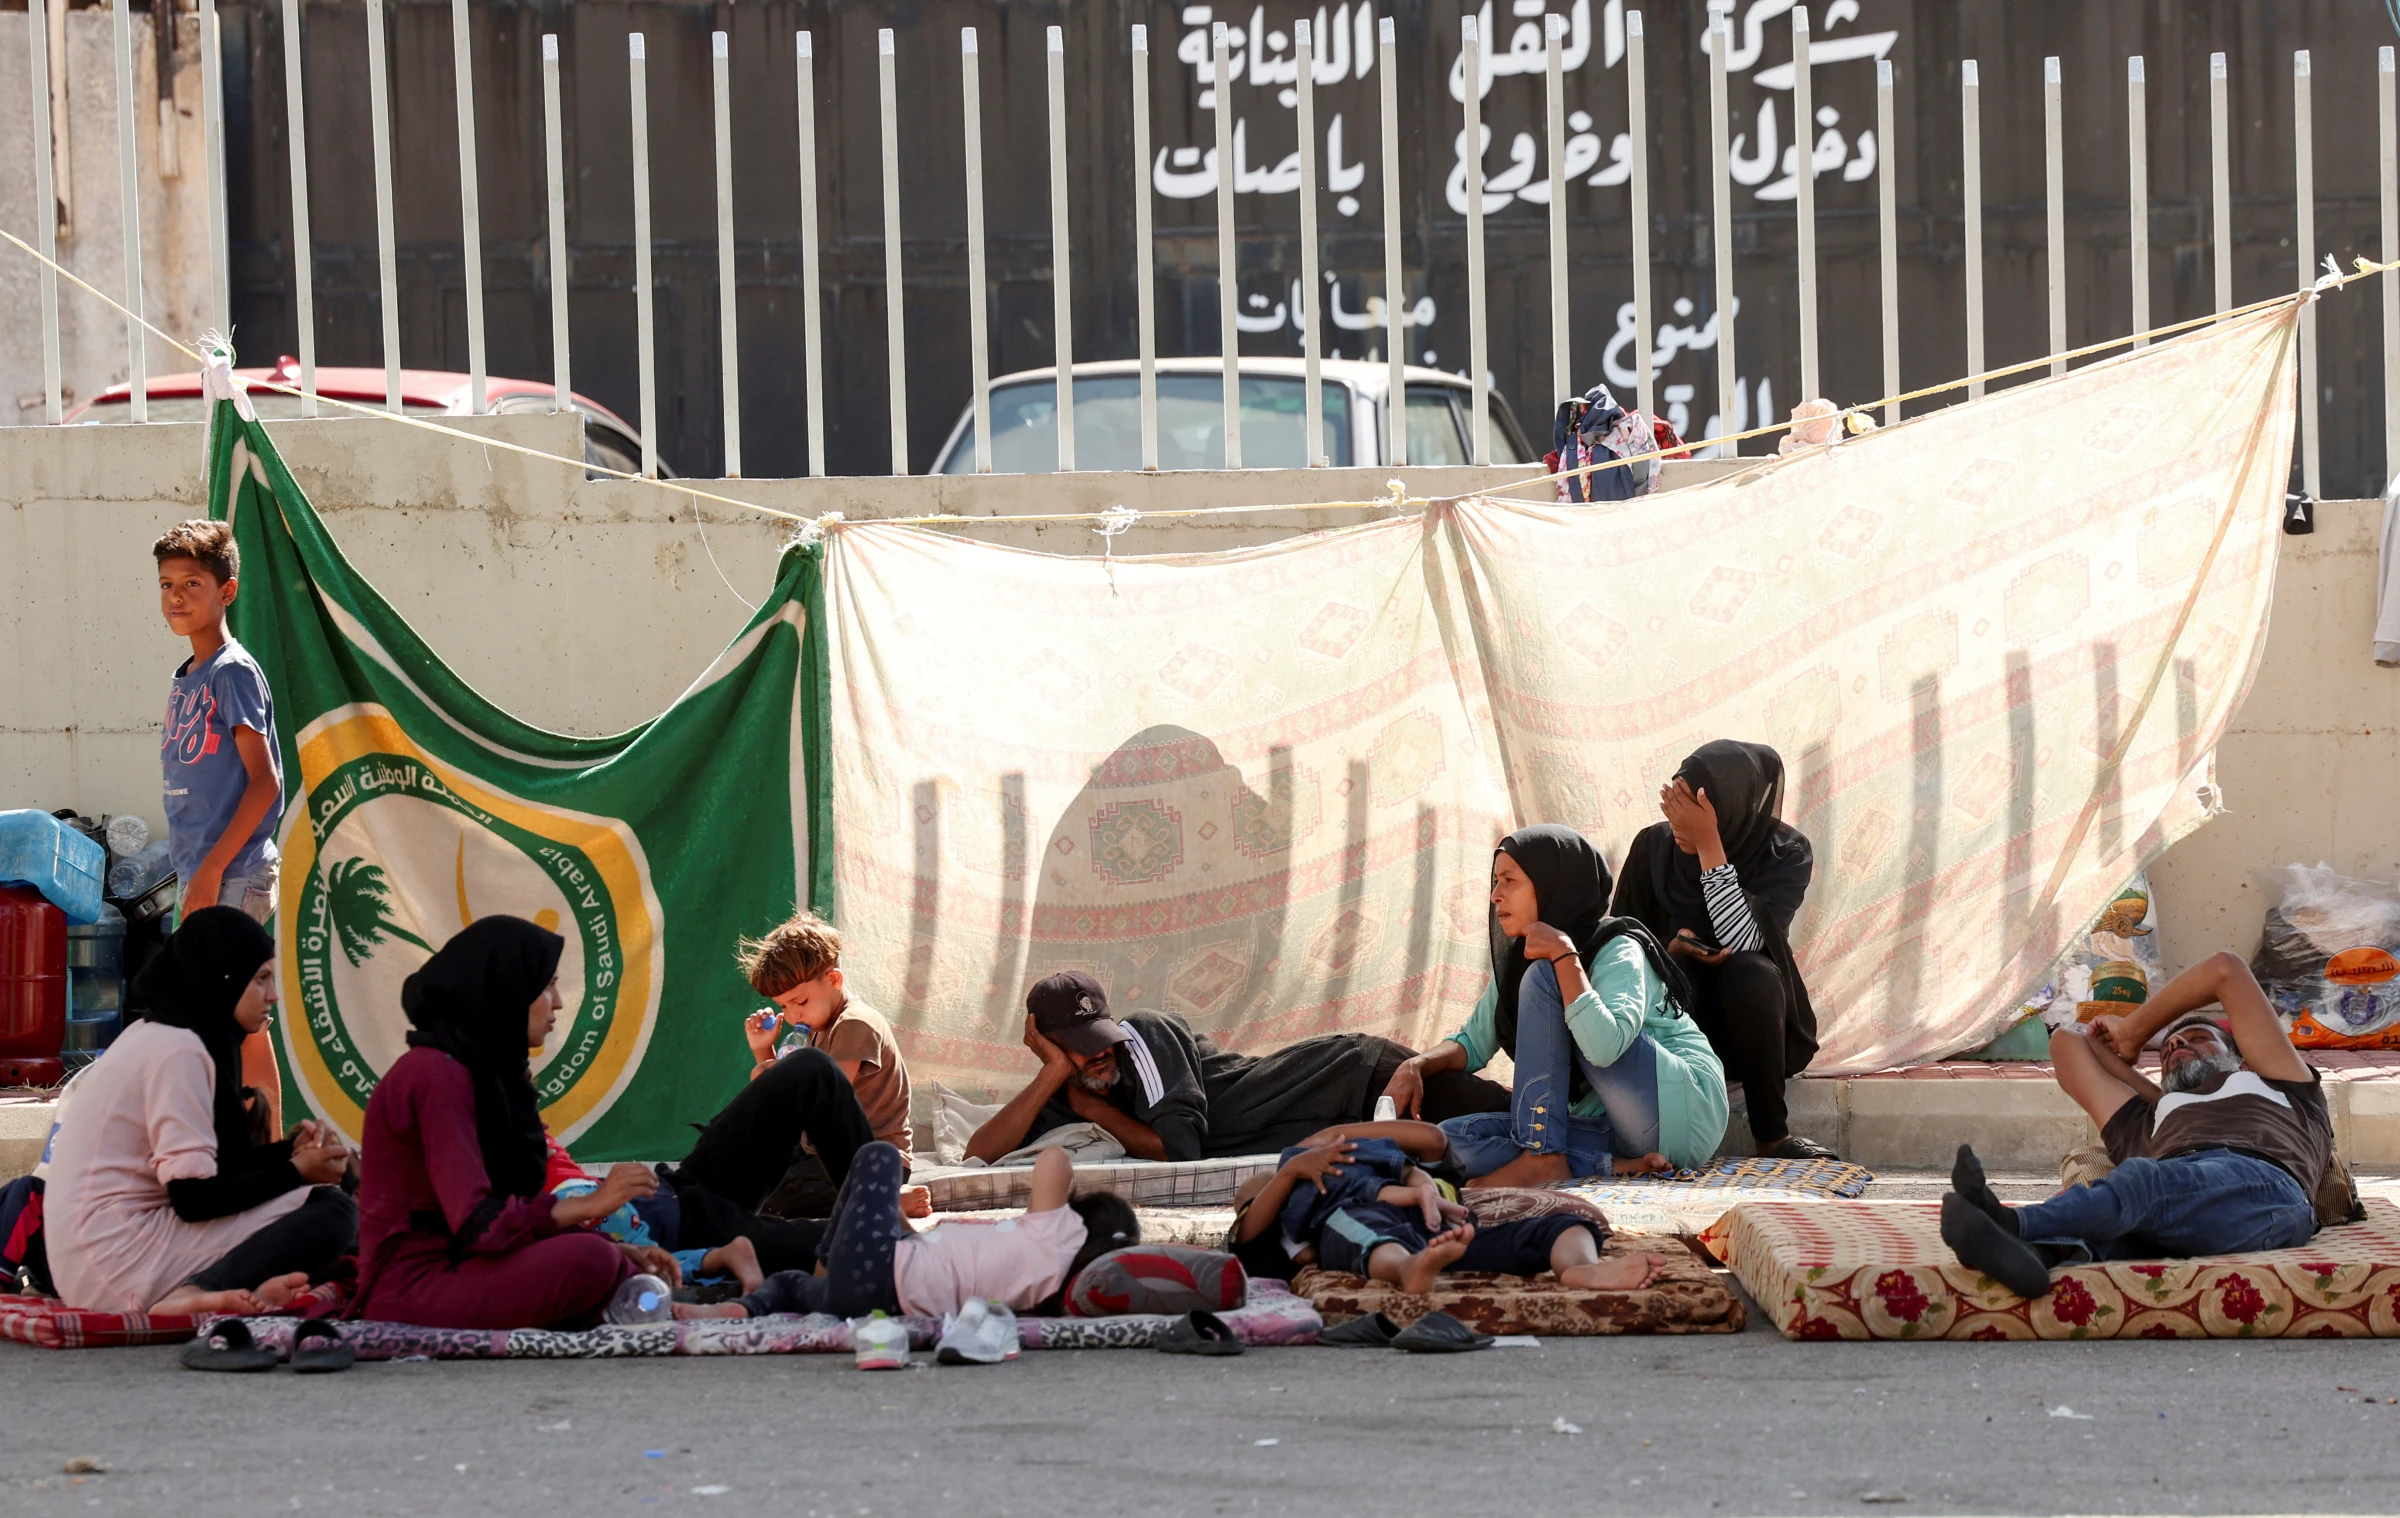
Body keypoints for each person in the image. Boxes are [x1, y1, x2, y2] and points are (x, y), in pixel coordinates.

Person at [1942, 953, 2333, 1299]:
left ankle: (2011, 1222)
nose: (2177, 1045)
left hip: (2267, 1193)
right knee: (2119, 1230)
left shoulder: (2282, 1085)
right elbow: (2066, 1042)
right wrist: (2150, 1090)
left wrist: (2134, 1032)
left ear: (2242, 1060)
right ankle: (2035, 1258)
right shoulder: (2152, 1120)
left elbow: (2224, 969)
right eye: (2168, 1049)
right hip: (2191, 1214)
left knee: (2142, 1181)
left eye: (2198, 1039)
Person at [353, 917, 678, 1329]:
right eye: (546, 986)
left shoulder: (483, 1073)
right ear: (503, 991)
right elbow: (480, 1225)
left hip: (466, 1267)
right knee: (591, 1260)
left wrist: (604, 1241)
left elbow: (507, 1218)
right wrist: (593, 1204)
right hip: (411, 1288)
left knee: (605, 1254)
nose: (557, 1003)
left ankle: (651, 1304)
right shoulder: (436, 1074)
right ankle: (633, 1304)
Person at [41, 908, 355, 1315]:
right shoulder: (178, 1052)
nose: (273, 995)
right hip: (119, 1262)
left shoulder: (157, 1034)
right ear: (224, 977)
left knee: (328, 1202)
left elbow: (224, 1168)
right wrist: (297, 1171)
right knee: (333, 1211)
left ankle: (223, 1288)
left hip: (94, 1261)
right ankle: (193, 1293)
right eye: (260, 978)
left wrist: (293, 1152)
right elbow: (195, 1199)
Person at [1382, 826, 1730, 1186]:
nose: (1495, 895)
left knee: (1544, 976)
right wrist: (1415, 1064)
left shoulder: (1618, 948)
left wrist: (1564, 956)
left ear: (1553, 884)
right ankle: (1611, 1165)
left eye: (1509, 881)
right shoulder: (1519, 964)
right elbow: (1472, 1044)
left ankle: (1542, 1157)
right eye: (1495, 881)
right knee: (1451, 1140)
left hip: (1683, 1110)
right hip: (1611, 1127)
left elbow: (1605, 1048)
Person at [962, 972, 1508, 1164]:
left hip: (1350, 1078)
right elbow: (978, 1154)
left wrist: (1091, 1107)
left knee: (1519, 1120)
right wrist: (1052, 1077)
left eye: (1100, 1037)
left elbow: (1180, 1150)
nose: (1099, 1053)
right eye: (1080, 1047)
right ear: (1049, 1045)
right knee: (1492, 1149)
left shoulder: (1144, 1034)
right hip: (1349, 1126)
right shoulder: (1067, 1087)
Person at [1611, 740, 1834, 1160]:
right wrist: (1669, 951)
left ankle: (1771, 1136)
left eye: (1692, 811)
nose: (1678, 823)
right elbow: (1618, 948)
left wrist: (1709, 843)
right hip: (1675, 1026)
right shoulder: (1653, 849)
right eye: (1673, 807)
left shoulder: (1784, 852)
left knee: (1752, 972)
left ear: (1728, 806)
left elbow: (1745, 942)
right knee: (1674, 969)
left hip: (1754, 1030)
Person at [676, 1145, 1137, 1322]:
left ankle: (825, 1263)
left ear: (1076, 1222)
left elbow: (1054, 1158)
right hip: (877, 1299)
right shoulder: (1049, 1293)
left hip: (874, 1272)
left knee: (878, 1156)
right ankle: (740, 1308)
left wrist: (1063, 1204)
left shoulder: (1054, 1237)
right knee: (788, 1286)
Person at [155, 519, 287, 1132]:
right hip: (202, 874)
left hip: (231, 874)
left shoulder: (233, 671)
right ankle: (232, 1148)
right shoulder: (189, 674)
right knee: (212, 1019)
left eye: (192, 583)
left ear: (226, 591)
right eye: (166, 584)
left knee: (243, 1020)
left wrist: (210, 872)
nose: (176, 597)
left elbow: (266, 784)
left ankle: (272, 1158)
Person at [1230, 1121, 1671, 1295]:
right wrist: (1289, 1172)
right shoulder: (1302, 1210)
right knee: (1368, 1233)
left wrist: (1418, 1185)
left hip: (1442, 1231)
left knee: (1564, 1223)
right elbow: (1251, 1234)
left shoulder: (1366, 1157)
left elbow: (1427, 1143)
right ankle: (1407, 1269)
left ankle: (1581, 1268)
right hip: (1370, 1224)